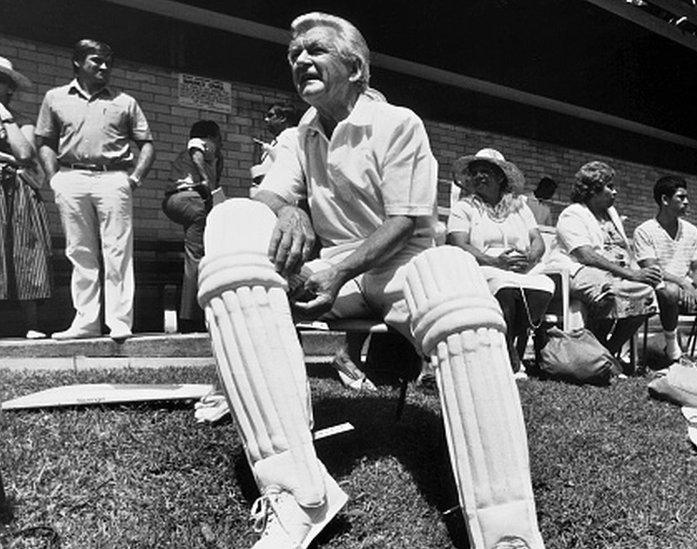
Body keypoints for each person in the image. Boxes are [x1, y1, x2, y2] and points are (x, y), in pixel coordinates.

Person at [204, 13, 543, 549]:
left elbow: (405, 221)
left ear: (355, 66)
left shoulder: (398, 123)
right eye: (293, 56)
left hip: (399, 264)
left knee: (453, 276)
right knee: (231, 221)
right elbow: (268, 196)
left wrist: (340, 269)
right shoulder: (299, 135)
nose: (299, 61)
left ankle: (506, 528)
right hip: (332, 272)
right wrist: (287, 210)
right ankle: (298, 492)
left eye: (314, 50)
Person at [35, 39, 155, 342]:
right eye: (96, 61)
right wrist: (54, 179)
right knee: (80, 251)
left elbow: (147, 144)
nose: (104, 67)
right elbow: (45, 142)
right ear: (78, 62)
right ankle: (86, 321)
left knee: (117, 251)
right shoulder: (55, 97)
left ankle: (118, 321)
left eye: (108, 62)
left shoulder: (124, 101)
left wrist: (135, 178)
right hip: (70, 178)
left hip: (113, 178)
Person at [447, 148, 554, 377]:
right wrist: (495, 261)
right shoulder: (464, 208)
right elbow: (458, 244)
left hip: (521, 266)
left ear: (500, 178)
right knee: (502, 287)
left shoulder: (519, 207)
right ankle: (509, 356)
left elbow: (537, 240)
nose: (479, 176)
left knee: (545, 286)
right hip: (483, 266)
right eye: (475, 172)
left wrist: (530, 258)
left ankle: (511, 344)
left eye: (486, 171)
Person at [551, 160, 661, 356]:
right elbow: (585, 255)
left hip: (616, 272)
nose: (615, 192)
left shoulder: (611, 213)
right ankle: (593, 351)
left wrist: (637, 271)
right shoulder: (573, 214)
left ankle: (608, 352)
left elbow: (624, 247)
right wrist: (630, 274)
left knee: (647, 293)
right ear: (593, 190)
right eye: (609, 187)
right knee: (608, 293)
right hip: (580, 270)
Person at [0, 56, 51, 339]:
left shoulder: (22, 123)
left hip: (18, 194)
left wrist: (4, 117)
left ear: (9, 89)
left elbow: (25, 155)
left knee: (25, 251)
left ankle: (31, 323)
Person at [633, 175, 697, 361]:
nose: (687, 202)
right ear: (665, 200)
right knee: (670, 291)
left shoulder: (691, 230)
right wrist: (683, 283)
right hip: (655, 285)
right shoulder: (645, 230)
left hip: (686, 286)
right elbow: (652, 268)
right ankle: (672, 349)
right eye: (681, 197)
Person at [162, 120, 223, 333]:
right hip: (191, 199)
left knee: (194, 254)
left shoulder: (210, 157)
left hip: (176, 200)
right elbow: (197, 149)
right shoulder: (204, 143)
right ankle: (193, 316)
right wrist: (206, 181)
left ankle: (190, 315)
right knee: (197, 257)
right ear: (213, 136)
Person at [249, 102, 299, 192]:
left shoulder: (292, 135)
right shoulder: (276, 141)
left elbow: (287, 166)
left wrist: (269, 150)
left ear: (282, 118)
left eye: (270, 115)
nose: (266, 119)